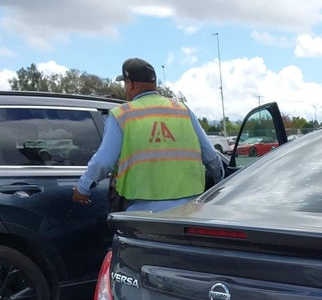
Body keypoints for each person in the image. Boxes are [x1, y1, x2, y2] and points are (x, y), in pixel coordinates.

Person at [72, 57, 224, 212]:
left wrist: (83, 188)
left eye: (125, 83)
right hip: (190, 212)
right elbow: (211, 156)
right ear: (154, 83)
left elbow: (103, 162)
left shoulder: (122, 115)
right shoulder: (183, 110)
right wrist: (220, 181)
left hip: (143, 216)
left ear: (130, 84)